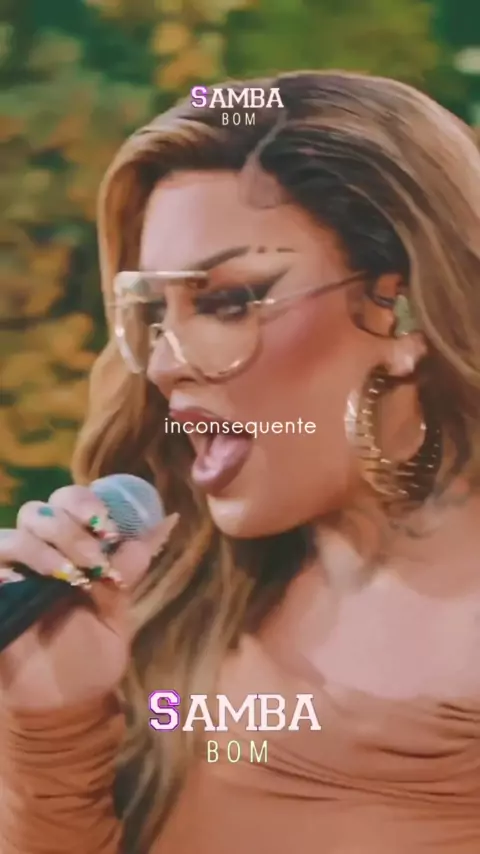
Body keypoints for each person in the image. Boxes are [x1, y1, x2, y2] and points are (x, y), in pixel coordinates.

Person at [1, 70, 480, 854]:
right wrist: (55, 730)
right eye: (153, 315)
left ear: (401, 309)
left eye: (228, 302)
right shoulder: (171, 589)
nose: (165, 364)